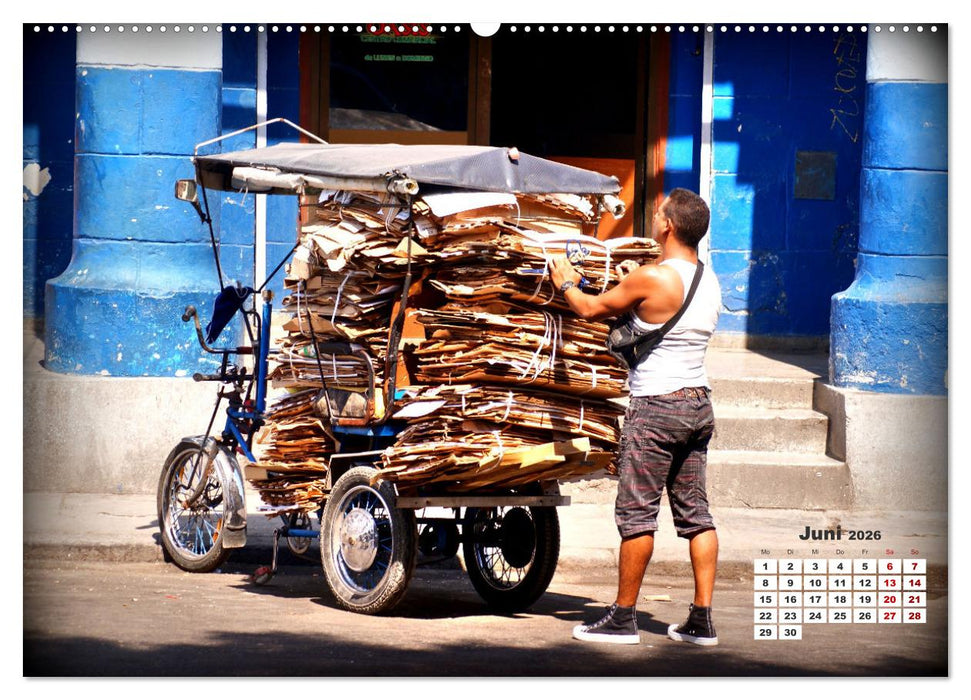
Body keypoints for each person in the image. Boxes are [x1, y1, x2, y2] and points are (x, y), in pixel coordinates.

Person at [549, 187, 723, 646]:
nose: (654, 217)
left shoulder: (653, 278)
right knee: (696, 515)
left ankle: (623, 617)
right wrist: (634, 278)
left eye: (657, 213)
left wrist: (565, 280)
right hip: (697, 405)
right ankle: (701, 619)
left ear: (668, 225)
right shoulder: (707, 279)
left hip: (657, 408)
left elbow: (589, 308)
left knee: (637, 515)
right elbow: (658, 311)